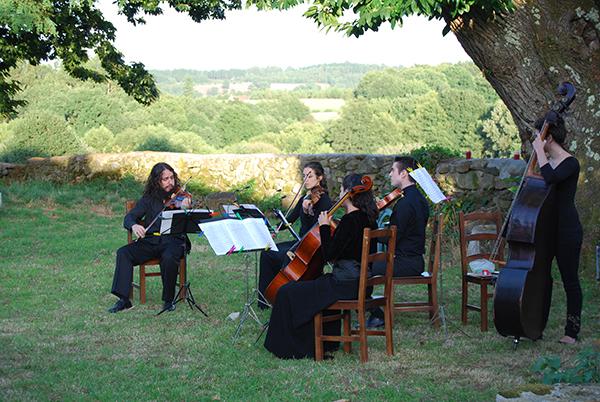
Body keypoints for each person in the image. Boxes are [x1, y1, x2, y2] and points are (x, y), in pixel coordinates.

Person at [264, 173, 378, 359]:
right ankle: (327, 342)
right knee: (313, 286)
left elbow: (330, 255)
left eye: (341, 190)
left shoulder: (350, 220)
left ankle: (293, 347)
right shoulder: (368, 218)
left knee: (286, 291)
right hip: (362, 282)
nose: (339, 194)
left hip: (345, 284)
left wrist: (324, 226)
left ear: (349, 193)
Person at [108, 162, 192, 313]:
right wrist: (134, 225)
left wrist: (186, 207)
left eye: (171, 178)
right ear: (156, 181)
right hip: (151, 241)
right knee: (123, 253)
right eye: (165, 179)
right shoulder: (149, 199)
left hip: (173, 240)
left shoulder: (181, 197)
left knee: (168, 256)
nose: (170, 182)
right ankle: (124, 299)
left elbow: (190, 215)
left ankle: (168, 300)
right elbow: (129, 217)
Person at [532, 111, 583, 345]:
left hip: (567, 230)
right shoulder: (545, 162)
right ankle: (535, 326)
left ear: (548, 137)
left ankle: (571, 332)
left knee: (569, 279)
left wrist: (540, 153)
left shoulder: (570, 163)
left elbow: (551, 178)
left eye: (538, 134)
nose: (535, 139)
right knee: (541, 278)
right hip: (545, 229)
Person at [257, 161, 332, 308]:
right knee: (267, 253)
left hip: (312, 247)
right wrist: (274, 229)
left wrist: (310, 211)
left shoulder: (324, 201)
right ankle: (264, 300)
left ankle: (285, 299)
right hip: (299, 243)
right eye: (304, 176)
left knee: (286, 256)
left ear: (320, 178)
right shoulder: (305, 198)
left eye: (310, 176)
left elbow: (319, 229)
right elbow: (289, 220)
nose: (306, 180)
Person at [366, 156, 430, 328]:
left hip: (405, 263)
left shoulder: (404, 204)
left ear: (403, 174)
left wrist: (370, 229)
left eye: (392, 170)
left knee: (362, 266)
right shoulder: (420, 199)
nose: (389, 174)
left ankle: (376, 314)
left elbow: (390, 238)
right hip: (414, 260)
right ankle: (372, 309)